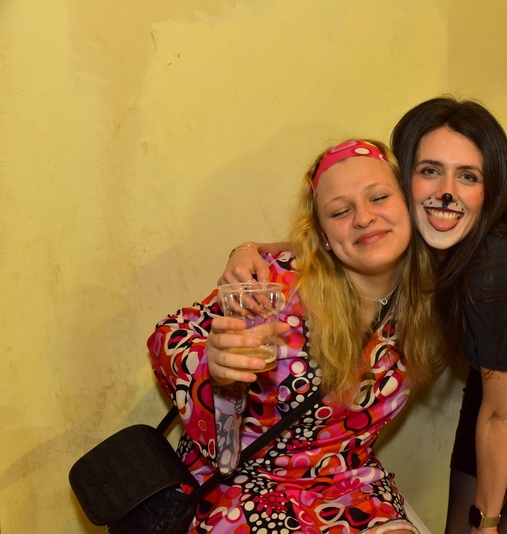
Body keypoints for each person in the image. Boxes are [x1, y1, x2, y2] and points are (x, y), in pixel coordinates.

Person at [222, 97, 507, 534]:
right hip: (494, 390)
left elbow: (503, 415)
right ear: (405, 181)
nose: (446, 191)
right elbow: (338, 238)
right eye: (431, 170)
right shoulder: (422, 226)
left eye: (468, 176)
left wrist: (487, 523)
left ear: (489, 191)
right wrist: (247, 250)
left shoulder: (497, 272)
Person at [148, 139, 443, 534]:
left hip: (347, 481)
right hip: (246, 483)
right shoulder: (277, 285)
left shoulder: (430, 298)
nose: (363, 217)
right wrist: (210, 366)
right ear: (323, 235)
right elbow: (168, 335)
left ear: (410, 205)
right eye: (340, 211)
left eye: (379, 197)